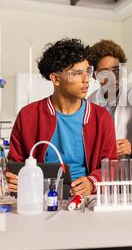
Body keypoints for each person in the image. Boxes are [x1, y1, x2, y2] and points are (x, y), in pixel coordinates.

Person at [6, 38, 117, 197]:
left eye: (88, 71)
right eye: (78, 73)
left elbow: (112, 166)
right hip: (39, 196)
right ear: (55, 79)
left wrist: (92, 181)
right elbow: (14, 164)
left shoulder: (101, 118)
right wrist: (12, 178)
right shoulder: (28, 115)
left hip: (84, 198)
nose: (86, 79)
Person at [88, 39, 132, 157]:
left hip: (129, 170)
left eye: (116, 70)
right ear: (95, 75)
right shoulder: (89, 103)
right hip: (100, 170)